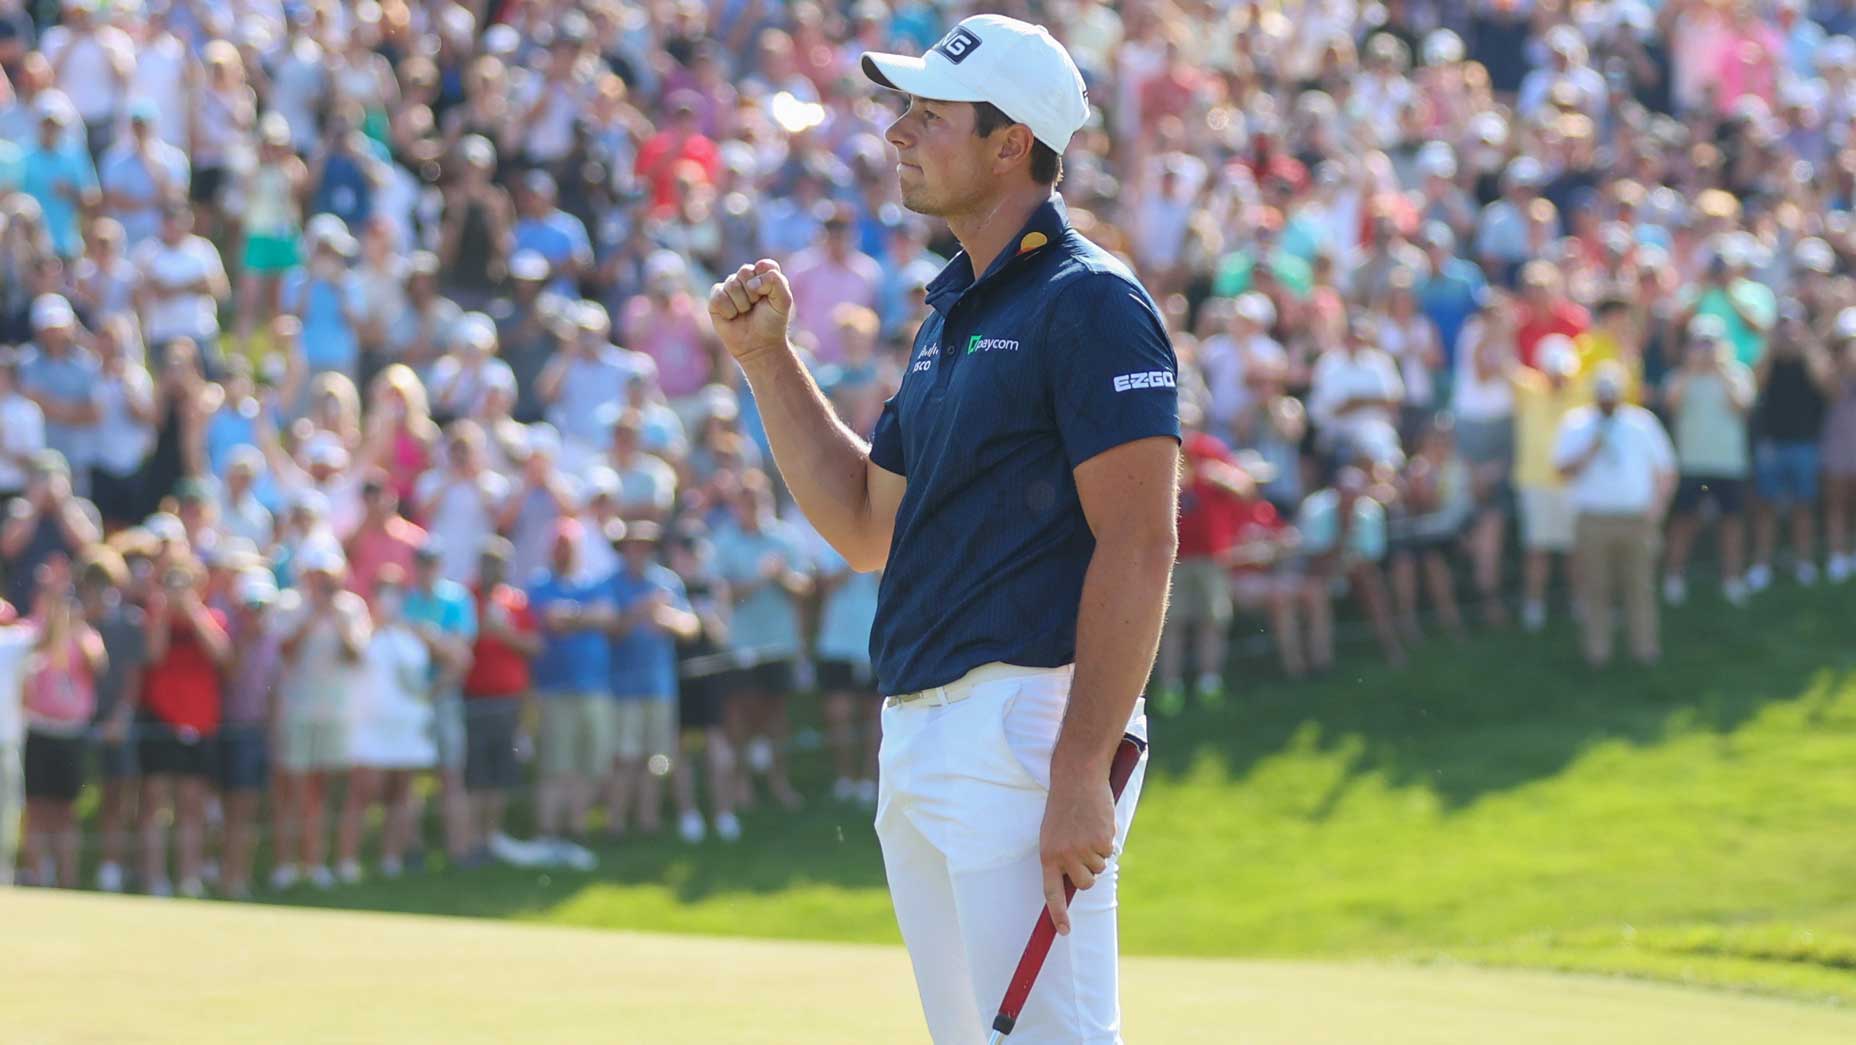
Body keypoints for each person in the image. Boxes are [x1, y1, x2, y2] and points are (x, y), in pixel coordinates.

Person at [710, 17, 1177, 1042]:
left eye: (928, 113)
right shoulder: (950, 316)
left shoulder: (1090, 302)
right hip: (923, 727)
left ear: (1011, 142)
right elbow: (867, 528)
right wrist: (765, 362)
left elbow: (1139, 544)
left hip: (1026, 728)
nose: (897, 133)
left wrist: (1075, 772)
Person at [1554, 363, 1677, 668]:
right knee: (1595, 588)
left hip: (1636, 518)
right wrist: (1590, 450)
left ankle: (1645, 650)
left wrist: (1657, 508)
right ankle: (1598, 653)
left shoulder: (1641, 423)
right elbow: (1561, 470)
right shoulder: (1577, 424)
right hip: (1593, 519)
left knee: (1640, 586)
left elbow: (1665, 469)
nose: (1607, 398)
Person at [272, 543, 369, 890]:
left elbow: (357, 654)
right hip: (297, 710)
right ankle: (285, 864)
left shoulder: (351, 608)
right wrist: (313, 614)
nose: (324, 582)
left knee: (322, 792)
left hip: (336, 712)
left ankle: (315, 863)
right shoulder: (289, 604)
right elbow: (286, 651)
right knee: (291, 788)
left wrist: (335, 618)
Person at [137, 555, 231, 898]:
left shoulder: (211, 617)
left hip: (199, 720)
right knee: (155, 800)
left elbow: (222, 655)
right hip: (160, 718)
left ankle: (189, 877)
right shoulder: (155, 618)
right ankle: (154, 878)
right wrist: (164, 612)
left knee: (192, 803)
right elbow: (154, 655)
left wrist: (191, 610)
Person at [603, 519, 699, 838]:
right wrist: (639, 612)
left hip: (659, 685)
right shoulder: (612, 583)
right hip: (623, 686)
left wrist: (667, 619)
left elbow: (690, 627)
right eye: (632, 545)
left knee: (656, 758)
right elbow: (611, 630)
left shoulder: (667, 582)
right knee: (624, 757)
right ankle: (616, 824)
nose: (638, 551)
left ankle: (648, 822)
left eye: (644, 545)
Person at [528, 520, 616, 849]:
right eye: (559, 546)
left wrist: (572, 616)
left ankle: (575, 829)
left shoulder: (593, 584)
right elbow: (548, 618)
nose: (564, 553)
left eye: (569, 546)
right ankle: (548, 832)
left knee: (589, 763)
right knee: (556, 765)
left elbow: (607, 617)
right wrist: (584, 617)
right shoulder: (540, 584)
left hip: (594, 687)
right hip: (555, 689)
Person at [346, 564, 435, 880]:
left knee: (402, 793)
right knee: (363, 792)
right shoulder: (362, 626)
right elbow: (352, 653)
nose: (390, 599)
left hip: (407, 726)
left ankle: (391, 860)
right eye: (384, 591)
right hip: (369, 725)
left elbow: (456, 659)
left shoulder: (414, 631)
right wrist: (376, 625)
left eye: (396, 592)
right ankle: (349, 862)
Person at [1660, 316, 1757, 607]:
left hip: (1729, 465)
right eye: (1700, 342)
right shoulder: (1679, 376)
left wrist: (1721, 369)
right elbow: (1672, 405)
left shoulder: (1737, 374)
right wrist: (1692, 369)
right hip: (1691, 465)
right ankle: (1674, 577)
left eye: (1711, 343)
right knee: (1683, 522)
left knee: (1731, 524)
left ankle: (1732, 579)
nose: (1705, 349)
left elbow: (1741, 405)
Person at [18, 554, 102, 889]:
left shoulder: (84, 634)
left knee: (65, 812)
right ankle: (37, 877)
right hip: (38, 729)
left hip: (70, 733)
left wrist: (73, 623)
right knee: (36, 808)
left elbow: (98, 664)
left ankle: (66, 882)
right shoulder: (30, 630)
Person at [460, 537, 543, 864]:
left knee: (499, 776)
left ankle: (491, 839)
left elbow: (534, 646)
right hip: (474, 700)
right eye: (488, 563)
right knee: (475, 776)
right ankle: (472, 841)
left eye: (499, 564)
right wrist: (484, 627)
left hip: (509, 703)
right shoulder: (466, 598)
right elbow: (464, 641)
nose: (494, 570)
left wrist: (505, 632)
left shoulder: (516, 602)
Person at [402, 537, 477, 865]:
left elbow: (460, 658)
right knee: (410, 778)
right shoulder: (408, 601)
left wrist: (430, 639)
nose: (425, 570)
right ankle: (413, 849)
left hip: (443, 697)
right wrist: (437, 645)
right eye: (421, 563)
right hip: (413, 700)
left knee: (451, 776)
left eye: (431, 563)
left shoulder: (457, 599)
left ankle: (458, 850)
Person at [1748, 304, 1833, 590]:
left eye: (1792, 325)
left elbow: (1825, 385)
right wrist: (1771, 349)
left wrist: (1807, 347)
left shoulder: (1811, 356)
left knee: (1803, 507)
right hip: (1771, 443)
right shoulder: (1768, 356)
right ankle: (1762, 565)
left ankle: (1804, 562)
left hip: (1804, 444)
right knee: (1766, 507)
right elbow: (1755, 385)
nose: (1787, 332)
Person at [1510, 337, 1590, 632]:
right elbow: (1502, 363)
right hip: (1536, 483)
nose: (1560, 378)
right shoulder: (1528, 390)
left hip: (1573, 484)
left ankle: (1579, 604)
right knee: (1538, 550)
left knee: (1575, 551)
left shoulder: (1582, 392)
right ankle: (1534, 607)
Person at [78, 546, 144, 894]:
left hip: (117, 720)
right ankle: (63, 871)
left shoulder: (130, 622)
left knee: (119, 795)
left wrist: (121, 716)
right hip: (77, 718)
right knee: (66, 796)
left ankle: (112, 867)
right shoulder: (76, 620)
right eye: (92, 583)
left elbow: (133, 677)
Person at [217, 567, 280, 900]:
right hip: (229, 731)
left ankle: (238, 876)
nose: (257, 614)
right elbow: (230, 672)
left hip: (256, 733)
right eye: (251, 606)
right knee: (227, 810)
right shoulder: (231, 636)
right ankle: (225, 876)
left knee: (248, 810)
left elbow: (274, 694)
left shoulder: (272, 642)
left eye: (262, 607)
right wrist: (244, 639)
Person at [0, 595, 37, 888]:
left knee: (6, 817)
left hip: (5, 745)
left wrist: (54, 598)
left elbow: (47, 639)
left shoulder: (12, 643)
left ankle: (4, 878)